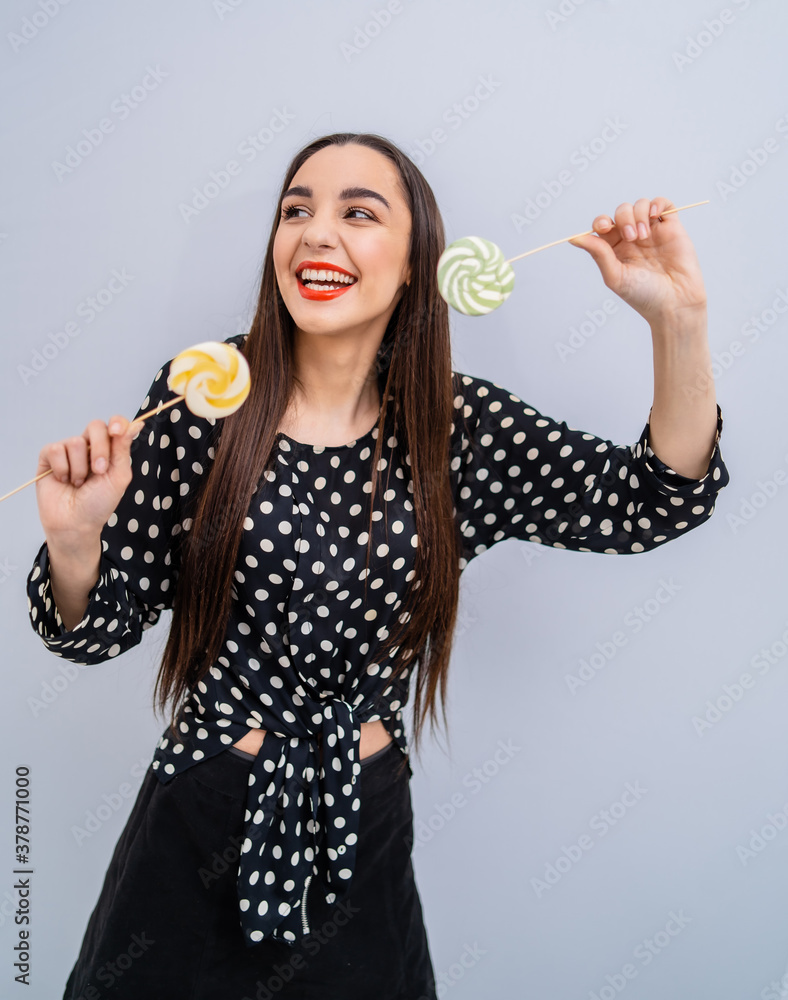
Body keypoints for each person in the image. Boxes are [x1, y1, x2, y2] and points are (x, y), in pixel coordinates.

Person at [26, 131, 729, 1000]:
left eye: (358, 213)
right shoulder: (201, 402)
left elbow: (654, 499)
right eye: (296, 211)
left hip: (359, 827)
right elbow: (94, 633)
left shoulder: (456, 429)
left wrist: (677, 322)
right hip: (197, 823)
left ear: (414, 266)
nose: (316, 234)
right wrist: (73, 539)